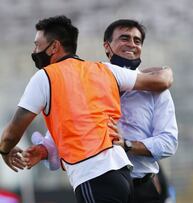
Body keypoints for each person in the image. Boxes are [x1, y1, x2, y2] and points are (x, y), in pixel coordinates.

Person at [0, 15, 173, 203]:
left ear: (54, 47)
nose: (131, 44)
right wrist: (43, 151)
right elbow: (73, 127)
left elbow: (11, 134)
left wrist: (4, 150)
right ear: (107, 46)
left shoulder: (49, 77)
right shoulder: (103, 72)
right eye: (124, 38)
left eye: (137, 40)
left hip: (113, 179)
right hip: (121, 175)